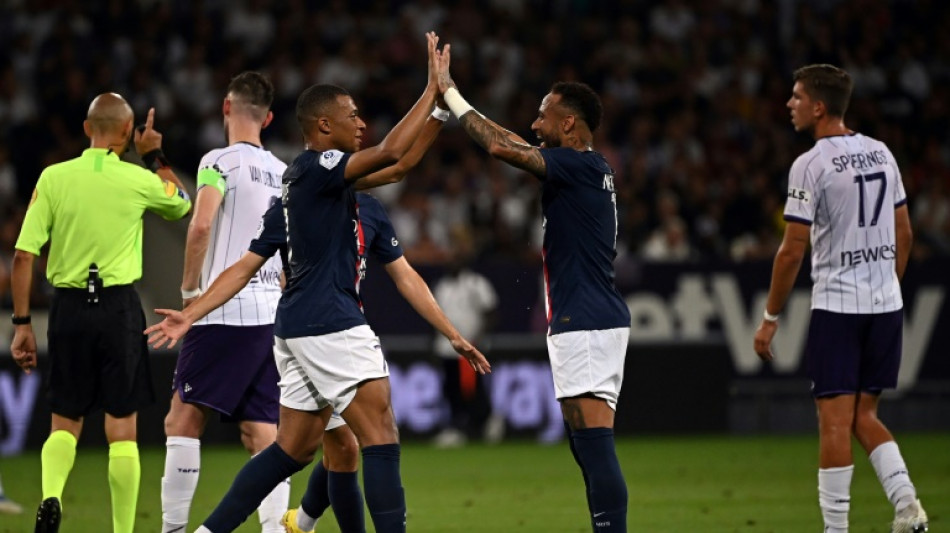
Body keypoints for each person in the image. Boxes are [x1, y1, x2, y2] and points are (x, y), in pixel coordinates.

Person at [177, 32, 486, 533]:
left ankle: (216, 530)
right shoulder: (315, 168)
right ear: (324, 126)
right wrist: (433, 89)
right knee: (381, 435)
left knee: (294, 449)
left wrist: (439, 111)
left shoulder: (310, 197)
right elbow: (391, 151)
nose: (361, 123)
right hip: (332, 322)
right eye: (352, 116)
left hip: (294, 329)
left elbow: (399, 167)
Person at [433, 45, 631, 532]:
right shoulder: (587, 168)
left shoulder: (580, 165)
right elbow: (514, 142)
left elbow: (502, 148)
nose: (535, 124)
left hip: (587, 320)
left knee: (594, 444)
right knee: (583, 443)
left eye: (544, 116)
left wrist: (451, 95)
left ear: (569, 123)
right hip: (584, 317)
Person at [753, 64, 927, 533]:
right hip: (885, 306)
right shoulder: (882, 152)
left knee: (833, 422)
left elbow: (792, 250)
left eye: (796, 96)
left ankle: (836, 530)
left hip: (839, 309)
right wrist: (885, 283)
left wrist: (770, 317)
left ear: (818, 107)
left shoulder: (810, 164)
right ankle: (908, 507)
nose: (789, 104)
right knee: (864, 415)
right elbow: (905, 233)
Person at [9, 94, 192, 533]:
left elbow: (23, 256)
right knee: (122, 429)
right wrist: (154, 156)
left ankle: (52, 496)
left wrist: (21, 324)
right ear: (128, 132)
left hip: (68, 307)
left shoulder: (53, 177)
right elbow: (183, 202)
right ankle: (122, 530)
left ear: (87, 129)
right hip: (118, 308)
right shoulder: (137, 178)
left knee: (64, 421)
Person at [161, 71, 288, 533]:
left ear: (226, 107)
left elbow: (200, 225)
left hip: (224, 312)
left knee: (181, 420)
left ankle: (173, 530)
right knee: (262, 431)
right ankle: (276, 528)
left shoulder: (217, 161)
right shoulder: (285, 172)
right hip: (273, 314)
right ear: (268, 119)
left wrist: (190, 294)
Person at [431, 235, 501, 448]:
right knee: (451, 389)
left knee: (473, 390)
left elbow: (491, 312)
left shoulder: (476, 283)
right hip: (447, 348)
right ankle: (457, 427)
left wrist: (478, 339)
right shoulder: (442, 286)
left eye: (456, 258)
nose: (452, 262)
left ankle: (484, 421)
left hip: (471, 348)